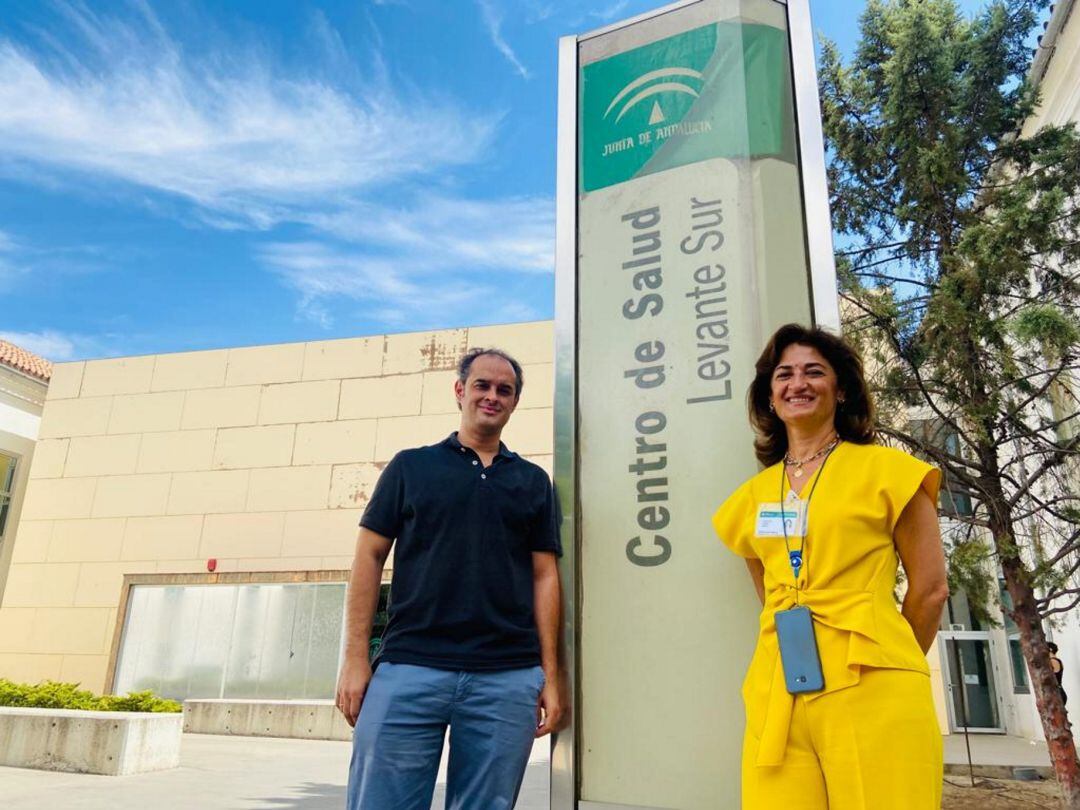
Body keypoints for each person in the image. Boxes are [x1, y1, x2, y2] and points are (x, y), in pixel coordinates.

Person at [712, 323, 949, 809]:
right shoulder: (751, 500)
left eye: (813, 372)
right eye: (784, 375)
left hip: (873, 680)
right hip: (779, 690)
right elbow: (773, 594)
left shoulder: (888, 471)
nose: (797, 383)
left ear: (841, 390)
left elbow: (930, 590)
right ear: (770, 397)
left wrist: (887, 658)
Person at [336, 347, 564, 810]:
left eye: (506, 390)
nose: (492, 396)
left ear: (515, 402)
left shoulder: (534, 482)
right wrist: (355, 658)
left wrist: (552, 675)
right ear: (460, 391)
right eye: (482, 385)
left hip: (506, 677)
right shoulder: (410, 467)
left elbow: (545, 577)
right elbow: (368, 558)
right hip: (408, 669)